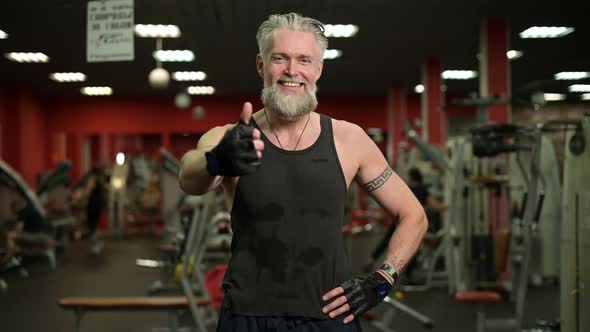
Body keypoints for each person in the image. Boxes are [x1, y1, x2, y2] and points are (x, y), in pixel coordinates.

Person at [179, 13, 427, 332]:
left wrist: (383, 279)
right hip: (248, 317)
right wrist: (216, 161)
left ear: (318, 69)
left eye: (304, 60)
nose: (292, 71)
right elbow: (189, 177)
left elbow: (413, 214)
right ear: (261, 65)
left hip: (331, 317)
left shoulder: (348, 139)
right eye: (280, 58)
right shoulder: (229, 137)